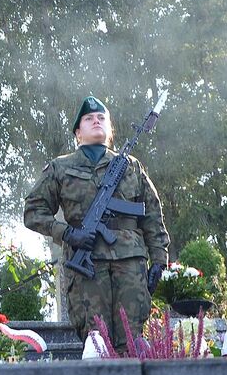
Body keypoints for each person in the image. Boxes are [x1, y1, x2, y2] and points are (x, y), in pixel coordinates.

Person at [24, 96, 169, 353]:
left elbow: (152, 215)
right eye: (89, 119)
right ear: (78, 132)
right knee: (96, 343)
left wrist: (159, 259)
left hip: (130, 265)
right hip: (87, 267)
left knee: (133, 341)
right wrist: (67, 233)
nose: (96, 121)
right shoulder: (61, 167)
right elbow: (33, 211)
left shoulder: (131, 166)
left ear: (110, 129)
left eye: (101, 118)